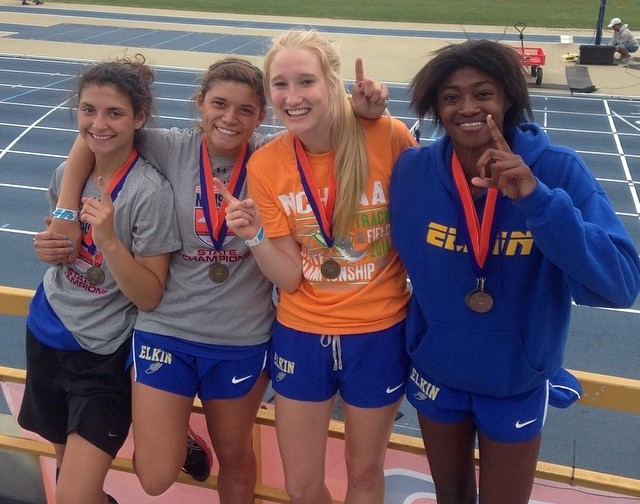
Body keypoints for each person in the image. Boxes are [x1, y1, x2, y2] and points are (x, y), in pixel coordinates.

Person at [51, 55, 389, 503]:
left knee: (235, 456)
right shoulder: (170, 146)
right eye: (219, 104)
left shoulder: (274, 155)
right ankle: (181, 435)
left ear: (261, 116)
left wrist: (362, 113)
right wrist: (65, 210)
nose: (230, 118)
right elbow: (94, 136)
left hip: (240, 337)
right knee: (154, 476)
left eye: (245, 109)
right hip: (167, 328)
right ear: (200, 105)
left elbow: (327, 130)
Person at [389, 39, 640, 504]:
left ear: (507, 99)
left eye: (483, 93)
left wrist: (537, 201)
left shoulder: (558, 171)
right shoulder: (412, 171)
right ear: (436, 109)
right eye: (451, 97)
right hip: (437, 372)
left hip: (514, 380)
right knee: (450, 496)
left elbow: (620, 284)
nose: (468, 107)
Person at [220, 29, 417, 504]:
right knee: (301, 485)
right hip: (302, 334)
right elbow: (289, 278)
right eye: (280, 85)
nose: (293, 97)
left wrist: (372, 111)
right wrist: (256, 237)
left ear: (332, 82)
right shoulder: (266, 165)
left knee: (364, 474)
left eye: (306, 81)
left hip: (378, 333)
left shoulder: (389, 137)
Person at [18, 56, 180, 504]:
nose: (99, 124)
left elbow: (149, 295)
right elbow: (62, 250)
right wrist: (48, 249)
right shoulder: (66, 177)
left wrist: (108, 240)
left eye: (114, 113)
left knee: (72, 497)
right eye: (88, 110)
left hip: (101, 357)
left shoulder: (150, 193)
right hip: (47, 333)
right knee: (69, 481)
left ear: (140, 118)